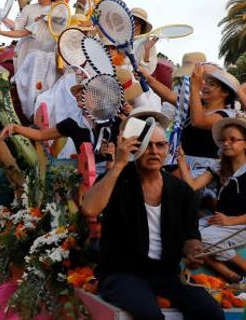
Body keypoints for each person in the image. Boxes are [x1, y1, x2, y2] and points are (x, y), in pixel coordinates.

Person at [82, 128, 224, 320]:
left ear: (167, 149)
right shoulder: (118, 179)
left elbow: (191, 236)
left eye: (160, 145)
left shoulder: (181, 190)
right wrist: (118, 165)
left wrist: (194, 251)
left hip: (166, 274)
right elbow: (89, 209)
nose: (154, 151)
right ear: (134, 149)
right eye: (147, 145)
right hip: (121, 273)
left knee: (211, 311)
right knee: (150, 315)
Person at [177, 117, 246, 283]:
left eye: (233, 140)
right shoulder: (219, 167)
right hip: (220, 222)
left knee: (202, 238)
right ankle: (233, 276)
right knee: (185, 236)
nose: (226, 143)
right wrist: (181, 161)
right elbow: (192, 186)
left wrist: (231, 220)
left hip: (240, 223)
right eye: (223, 140)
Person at [0, 0, 64, 119]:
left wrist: (48, 18)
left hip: (47, 57)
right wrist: (2, 19)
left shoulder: (58, 12)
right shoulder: (29, 9)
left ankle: (39, 118)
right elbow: (18, 29)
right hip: (27, 54)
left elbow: (64, 29)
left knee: (44, 89)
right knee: (26, 86)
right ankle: (30, 116)